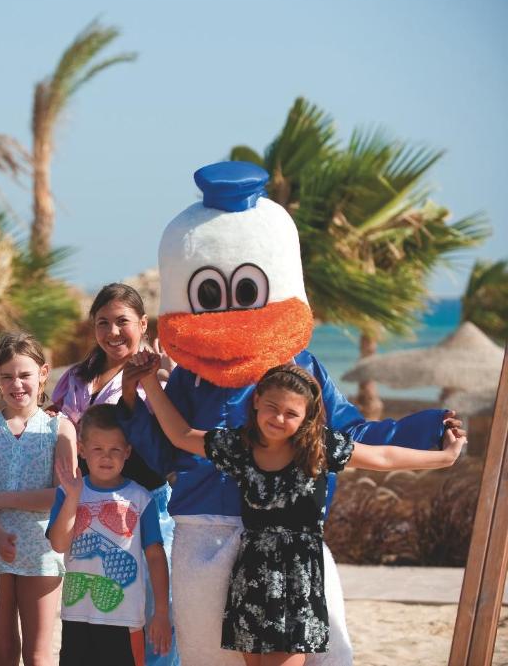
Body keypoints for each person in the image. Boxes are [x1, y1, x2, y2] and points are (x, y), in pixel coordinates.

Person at [125, 160, 464, 665]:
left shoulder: (300, 371)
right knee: (208, 654)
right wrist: (141, 390)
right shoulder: (200, 389)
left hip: (294, 554)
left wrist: (429, 434)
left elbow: (364, 441)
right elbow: (170, 441)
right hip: (204, 530)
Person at [132, 358, 466, 665]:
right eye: (272, 408)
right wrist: (148, 382)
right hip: (250, 577)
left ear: (307, 415)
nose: (278, 419)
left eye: (291, 413)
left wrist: (445, 458)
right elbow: (181, 435)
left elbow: (383, 457)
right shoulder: (240, 447)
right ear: (256, 401)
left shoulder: (319, 448)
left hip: (297, 582)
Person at [48, 283, 178, 665]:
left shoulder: (160, 377)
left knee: (154, 615)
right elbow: (59, 426)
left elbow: (168, 443)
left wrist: (164, 376)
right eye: (103, 322)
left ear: (143, 324)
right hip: (88, 504)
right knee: (100, 614)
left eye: (123, 321)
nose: (113, 331)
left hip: (145, 502)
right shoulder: (76, 377)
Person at [0, 331, 77, 666]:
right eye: (7, 377)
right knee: (1, 650)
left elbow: (61, 494)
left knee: (38, 653)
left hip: (42, 550)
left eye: (25, 375)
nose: (17, 384)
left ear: (43, 373)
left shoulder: (60, 429)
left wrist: (1, 499)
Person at [46, 404, 171, 666]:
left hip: (125, 620)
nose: (106, 457)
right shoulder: (67, 492)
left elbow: (156, 556)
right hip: (77, 616)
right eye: (98, 449)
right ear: (82, 450)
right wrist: (74, 498)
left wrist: (161, 612)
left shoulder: (141, 498)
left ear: (127, 452)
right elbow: (58, 544)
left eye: (115, 449)